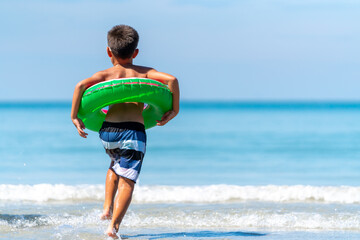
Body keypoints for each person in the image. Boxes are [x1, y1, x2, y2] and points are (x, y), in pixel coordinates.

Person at [70, 24, 180, 239]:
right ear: (136, 52)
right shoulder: (145, 72)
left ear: (108, 51)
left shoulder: (104, 74)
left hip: (107, 131)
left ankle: (106, 208)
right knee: (128, 179)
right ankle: (114, 227)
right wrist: (174, 109)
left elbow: (80, 86)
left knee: (115, 165)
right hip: (133, 131)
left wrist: (74, 116)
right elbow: (172, 80)